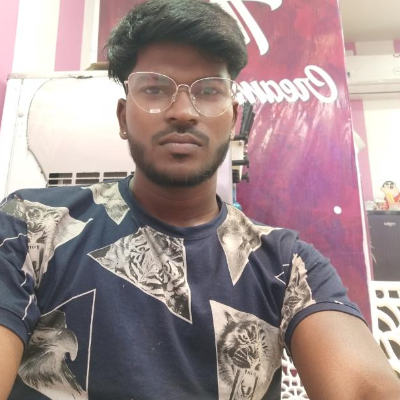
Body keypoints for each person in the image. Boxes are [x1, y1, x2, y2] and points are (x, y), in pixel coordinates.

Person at [0, 0, 399, 399]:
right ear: (123, 117)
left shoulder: (287, 264)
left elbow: (363, 387)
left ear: (233, 117)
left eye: (208, 91)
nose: (182, 112)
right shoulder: (32, 228)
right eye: (155, 89)